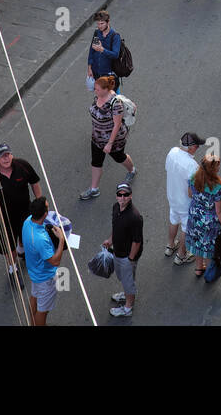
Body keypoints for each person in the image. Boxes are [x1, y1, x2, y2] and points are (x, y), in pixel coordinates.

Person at [80, 74, 136, 199]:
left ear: (106, 89)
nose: (95, 91)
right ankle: (94, 189)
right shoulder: (98, 97)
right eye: (95, 88)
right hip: (97, 137)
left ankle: (132, 170)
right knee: (96, 162)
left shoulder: (116, 104)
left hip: (113, 140)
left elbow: (116, 125)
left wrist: (109, 143)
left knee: (119, 157)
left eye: (97, 89)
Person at [0, 144, 42, 276]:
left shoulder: (22, 165)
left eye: (8, 155)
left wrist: (40, 202)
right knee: (9, 247)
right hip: (4, 218)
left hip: (25, 213)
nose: (6, 159)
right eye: (2, 157)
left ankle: (21, 250)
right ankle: (12, 268)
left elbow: (34, 182)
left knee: (25, 238)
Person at [21, 197, 65, 325]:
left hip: (35, 272)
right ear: (45, 214)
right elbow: (55, 261)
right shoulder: (40, 240)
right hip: (45, 277)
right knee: (43, 311)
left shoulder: (28, 221)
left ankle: (33, 323)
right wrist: (61, 239)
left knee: (34, 297)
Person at [104, 183, 143, 317]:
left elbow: (137, 242)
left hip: (127, 256)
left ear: (130, 196)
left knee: (128, 281)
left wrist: (130, 260)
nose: (122, 197)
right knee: (124, 278)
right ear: (116, 196)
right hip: (117, 252)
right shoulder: (116, 208)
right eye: (120, 194)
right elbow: (116, 227)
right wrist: (110, 240)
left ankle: (127, 307)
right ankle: (126, 294)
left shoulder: (134, 217)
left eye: (125, 195)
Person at [165, 132, 203, 265]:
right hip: (185, 203)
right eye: (197, 146)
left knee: (173, 219)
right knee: (186, 228)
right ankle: (181, 255)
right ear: (191, 147)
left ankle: (170, 246)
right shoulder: (192, 166)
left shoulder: (172, 152)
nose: (198, 148)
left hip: (172, 196)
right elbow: (192, 192)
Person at [185, 154, 221, 277]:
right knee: (208, 247)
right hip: (209, 221)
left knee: (197, 241)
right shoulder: (216, 186)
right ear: (212, 169)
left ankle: (198, 268)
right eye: (217, 166)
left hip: (194, 216)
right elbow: (219, 210)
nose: (219, 168)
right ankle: (209, 271)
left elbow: (190, 194)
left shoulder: (193, 178)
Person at [87, 9, 121, 90]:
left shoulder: (115, 36)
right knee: (99, 92)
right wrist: (89, 68)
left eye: (102, 23)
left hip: (108, 73)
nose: (99, 26)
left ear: (108, 22)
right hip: (96, 71)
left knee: (113, 94)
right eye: (98, 24)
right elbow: (92, 50)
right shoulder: (97, 33)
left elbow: (115, 55)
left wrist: (102, 50)